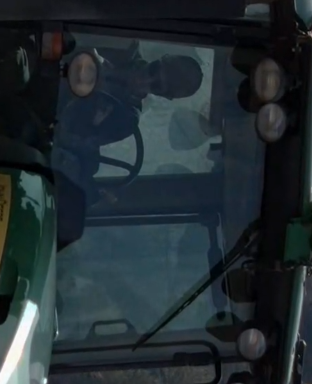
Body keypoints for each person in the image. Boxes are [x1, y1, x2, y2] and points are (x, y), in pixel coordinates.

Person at [53, 46, 204, 247]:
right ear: (163, 57)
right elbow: (78, 41)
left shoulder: (125, 117)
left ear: (166, 97)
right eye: (153, 69)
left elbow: (76, 140)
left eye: (157, 86)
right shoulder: (122, 46)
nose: (145, 80)